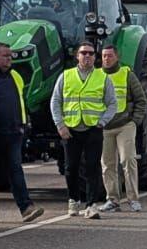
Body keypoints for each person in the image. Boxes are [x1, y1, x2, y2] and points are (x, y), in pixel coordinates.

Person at [50, 42, 116, 219]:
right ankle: (73, 200)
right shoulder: (66, 76)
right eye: (83, 53)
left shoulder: (103, 78)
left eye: (91, 53)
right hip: (71, 129)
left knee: (92, 167)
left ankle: (91, 204)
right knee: (71, 167)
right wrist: (60, 125)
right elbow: (55, 101)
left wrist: (102, 121)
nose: (87, 56)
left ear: (95, 57)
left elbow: (112, 104)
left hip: (93, 128)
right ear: (77, 56)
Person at [0, 43, 44, 223]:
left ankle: (26, 208)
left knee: (15, 169)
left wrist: (24, 123)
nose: (9, 59)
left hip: (14, 132)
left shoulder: (15, 76)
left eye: (10, 56)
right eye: (5, 56)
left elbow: (21, 101)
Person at [98, 45, 147, 213]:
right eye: (104, 56)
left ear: (116, 57)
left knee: (128, 159)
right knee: (107, 164)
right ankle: (112, 200)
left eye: (110, 56)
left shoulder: (127, 74)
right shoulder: (96, 76)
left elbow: (141, 99)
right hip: (104, 126)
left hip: (125, 124)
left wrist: (135, 121)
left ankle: (133, 199)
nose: (106, 59)